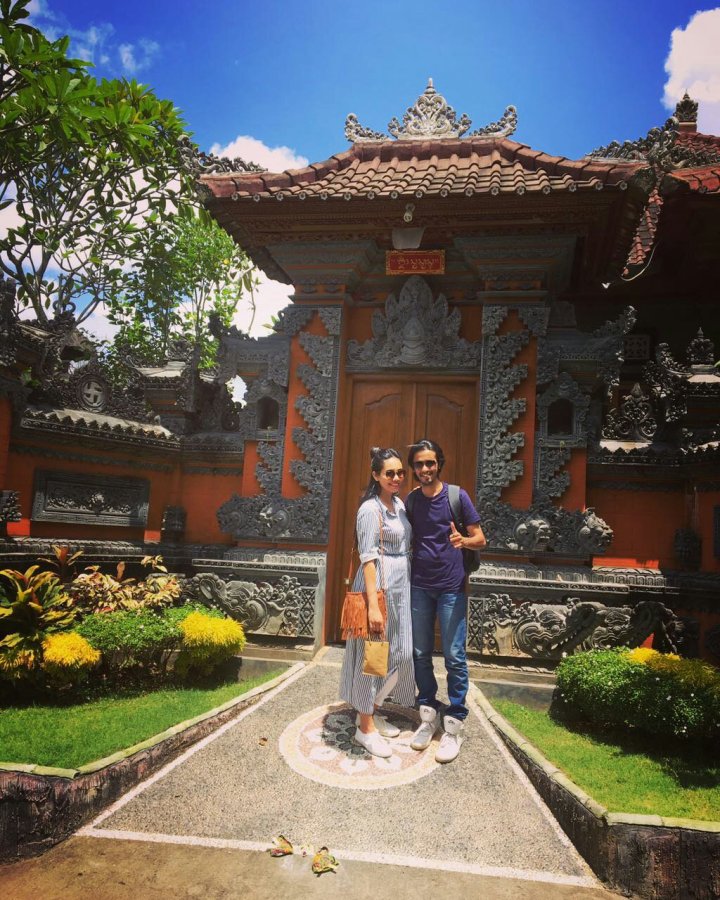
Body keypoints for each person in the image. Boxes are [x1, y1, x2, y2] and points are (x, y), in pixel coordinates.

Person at [405, 438, 486, 763]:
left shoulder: (456, 496)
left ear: (439, 463)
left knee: (454, 656)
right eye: (419, 464)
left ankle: (454, 723)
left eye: (430, 463)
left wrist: (463, 540)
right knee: (420, 653)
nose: (425, 468)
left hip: (451, 586)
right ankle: (428, 715)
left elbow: (481, 538)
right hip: (419, 586)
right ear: (413, 468)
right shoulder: (412, 500)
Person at [339, 447, 416, 758]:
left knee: (402, 652)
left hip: (400, 587)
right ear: (376, 475)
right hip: (378, 586)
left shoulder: (399, 504)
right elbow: (368, 557)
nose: (396, 478)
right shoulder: (370, 509)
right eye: (389, 473)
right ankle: (365, 728)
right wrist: (372, 606)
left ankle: (372, 707)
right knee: (373, 656)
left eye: (400, 473)